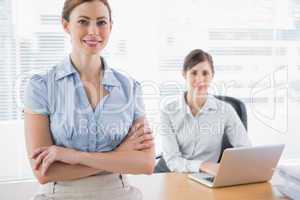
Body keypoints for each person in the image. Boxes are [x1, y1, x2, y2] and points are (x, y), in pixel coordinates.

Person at [24, 0, 155, 199]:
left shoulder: (130, 87)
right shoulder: (41, 86)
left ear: (111, 26)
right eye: (83, 21)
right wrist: (119, 157)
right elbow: (44, 172)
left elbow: (145, 163)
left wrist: (74, 156)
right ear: (65, 25)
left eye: (101, 22)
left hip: (119, 194)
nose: (93, 31)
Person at [160, 49, 251, 175]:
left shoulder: (226, 111)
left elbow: (245, 150)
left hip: (207, 177)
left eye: (205, 73)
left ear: (212, 76)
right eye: (194, 73)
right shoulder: (168, 111)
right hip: (174, 174)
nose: (200, 79)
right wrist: (203, 165)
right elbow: (172, 160)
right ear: (184, 74)